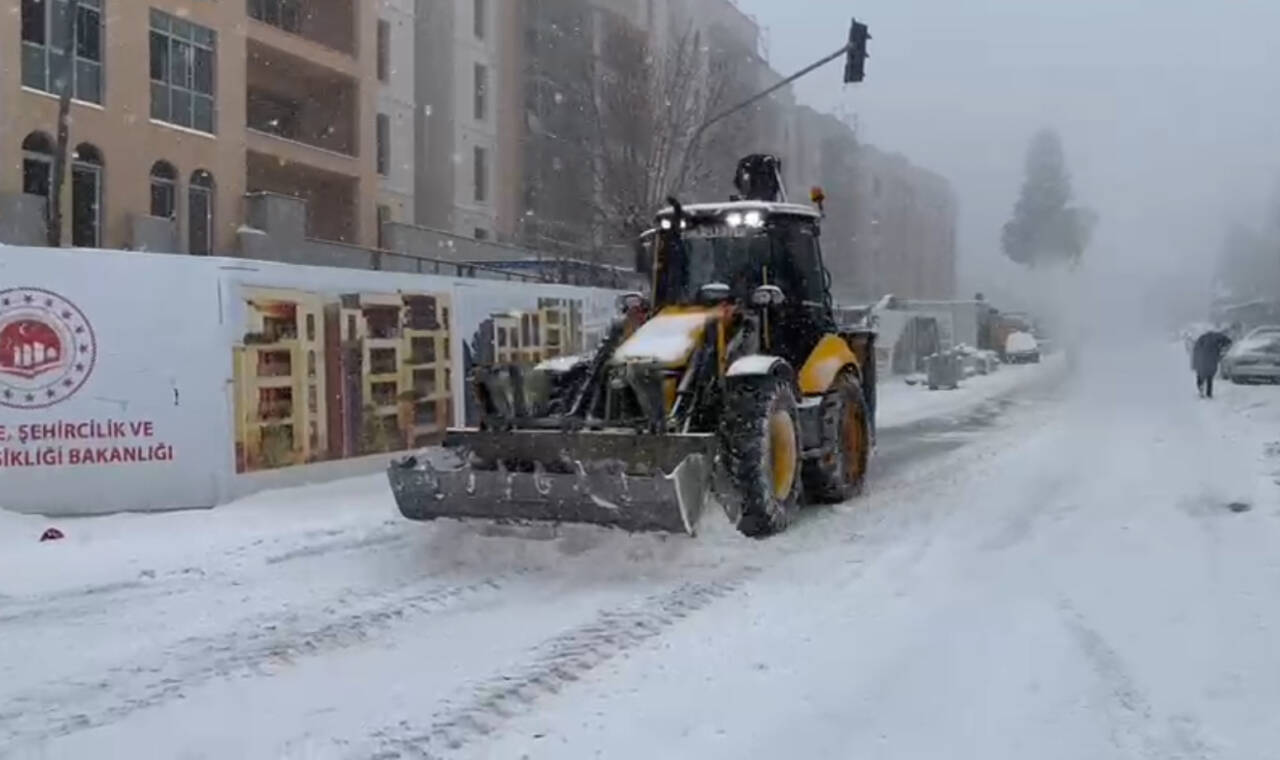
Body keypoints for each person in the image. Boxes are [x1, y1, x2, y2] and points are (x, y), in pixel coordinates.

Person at [1191, 329, 1232, 398]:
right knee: (1209, 377)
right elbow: (1228, 342)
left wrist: (1194, 364)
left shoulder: (1201, 339)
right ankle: (1209, 393)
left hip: (1201, 361)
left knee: (1200, 376)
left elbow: (1195, 351)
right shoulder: (1217, 337)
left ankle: (1201, 389)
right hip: (1210, 361)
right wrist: (1221, 350)